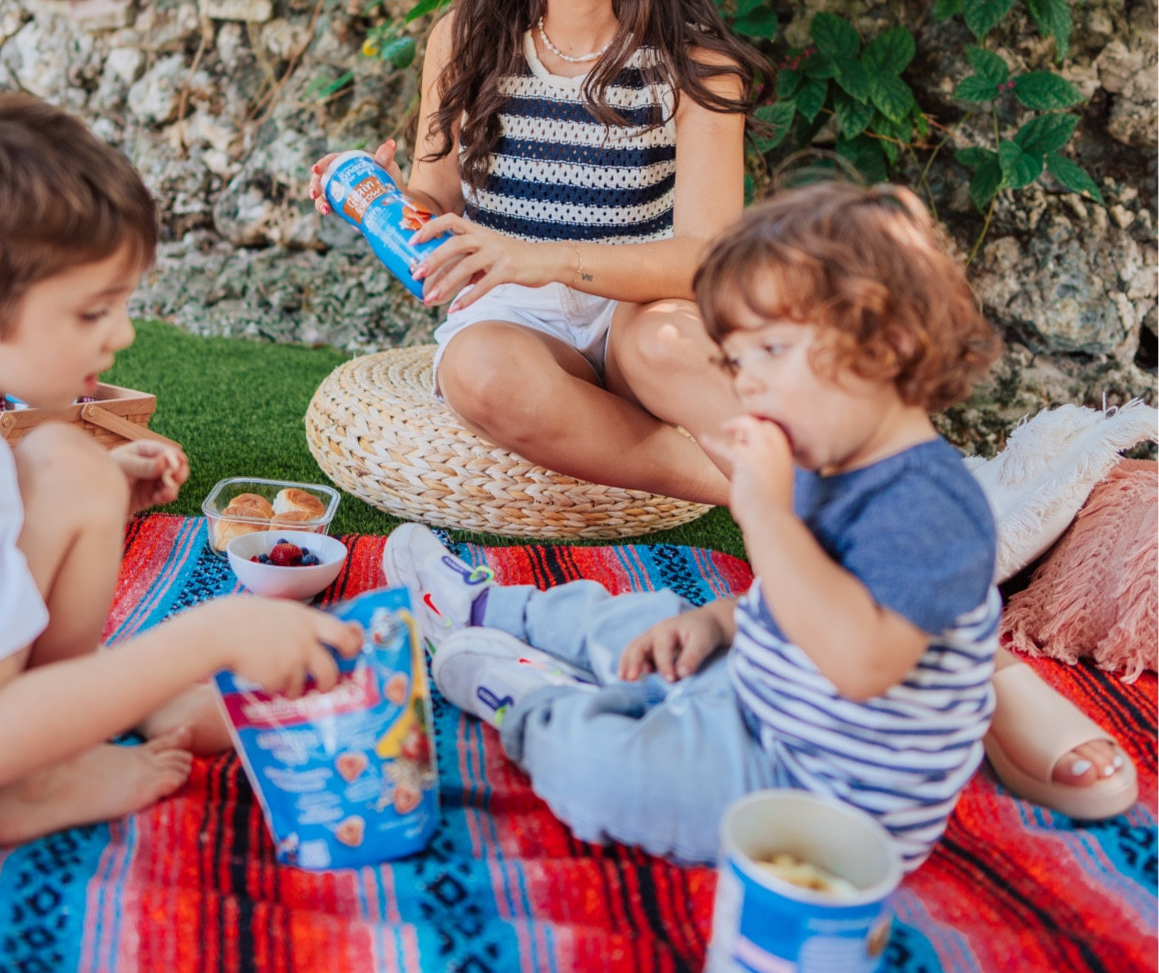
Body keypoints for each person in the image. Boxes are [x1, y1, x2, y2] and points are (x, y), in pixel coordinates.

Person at [0, 91, 355, 896]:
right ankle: (44, 770)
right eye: (94, 311)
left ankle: (69, 739)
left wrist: (92, 491)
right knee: (71, 465)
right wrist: (215, 632)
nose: (122, 334)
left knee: (70, 458)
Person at [382, 182, 1016, 870]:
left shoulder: (933, 506)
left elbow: (860, 663)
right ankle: (490, 608)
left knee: (596, 772)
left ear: (886, 346)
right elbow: (806, 601)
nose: (749, 385)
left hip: (808, 798)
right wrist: (720, 622)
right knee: (650, 625)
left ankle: (533, 701)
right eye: (739, 361)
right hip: (761, 696)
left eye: (773, 350)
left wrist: (763, 507)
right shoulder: (833, 464)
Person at [310, 0, 771, 507]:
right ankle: (754, 496)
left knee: (666, 347)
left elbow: (705, 257)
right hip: (511, 316)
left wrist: (542, 257)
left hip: (637, 303)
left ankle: (828, 496)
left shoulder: (695, 68)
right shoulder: (465, 39)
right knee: (480, 373)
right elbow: (435, 198)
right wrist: (380, 199)